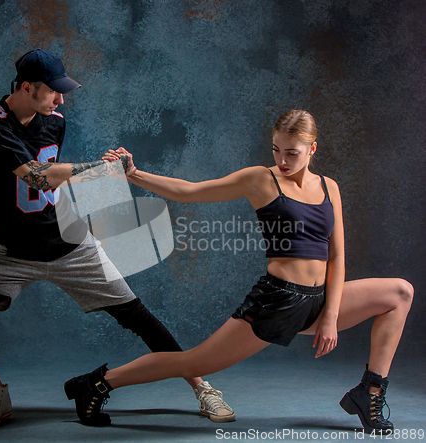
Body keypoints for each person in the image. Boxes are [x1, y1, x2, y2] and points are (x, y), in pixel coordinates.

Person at [64, 109, 414, 434]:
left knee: (399, 293)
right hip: (278, 300)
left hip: (320, 300)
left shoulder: (329, 188)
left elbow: (337, 257)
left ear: (312, 149)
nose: (282, 159)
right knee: (194, 362)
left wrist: (330, 315)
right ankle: (98, 382)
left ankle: (369, 392)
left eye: (292, 153)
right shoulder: (261, 180)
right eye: (277, 149)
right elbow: (190, 192)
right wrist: (134, 174)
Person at [0, 49, 234, 431]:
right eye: (54, 92)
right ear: (27, 87)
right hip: (13, 249)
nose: (61, 99)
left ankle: (200, 385)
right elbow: (35, 175)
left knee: (136, 316)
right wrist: (101, 169)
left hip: (67, 241)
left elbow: (31, 178)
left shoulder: (53, 121)